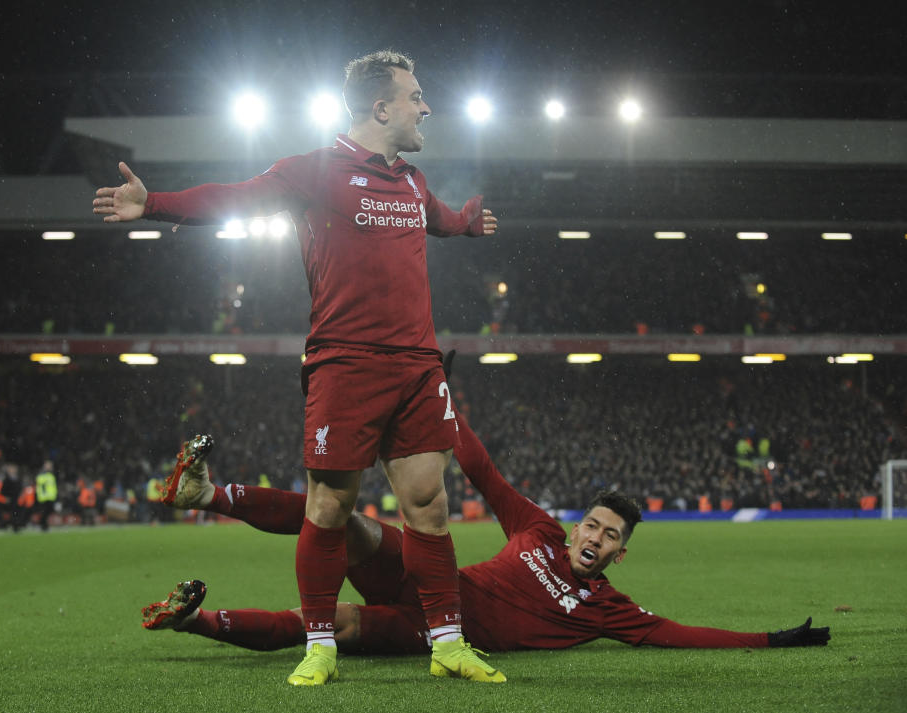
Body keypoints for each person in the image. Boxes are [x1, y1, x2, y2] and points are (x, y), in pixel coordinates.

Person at [93, 49, 500, 685]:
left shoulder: (413, 183)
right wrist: (156, 204)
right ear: (380, 106)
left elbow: (437, 219)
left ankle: (448, 645)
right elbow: (238, 197)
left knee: (429, 505)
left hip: (420, 366)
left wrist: (466, 223)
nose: (426, 107)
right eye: (416, 96)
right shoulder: (314, 172)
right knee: (330, 508)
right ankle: (320, 646)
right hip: (346, 364)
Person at [141, 411, 830, 664]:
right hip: (429, 583)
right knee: (341, 518)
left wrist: (771, 640)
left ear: (621, 552)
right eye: (593, 522)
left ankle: (194, 620)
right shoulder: (538, 529)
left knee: (331, 626)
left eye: (609, 535)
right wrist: (441, 400)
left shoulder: (607, 609)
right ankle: (206, 494)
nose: (594, 536)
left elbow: (679, 633)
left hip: (433, 636)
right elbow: (480, 469)